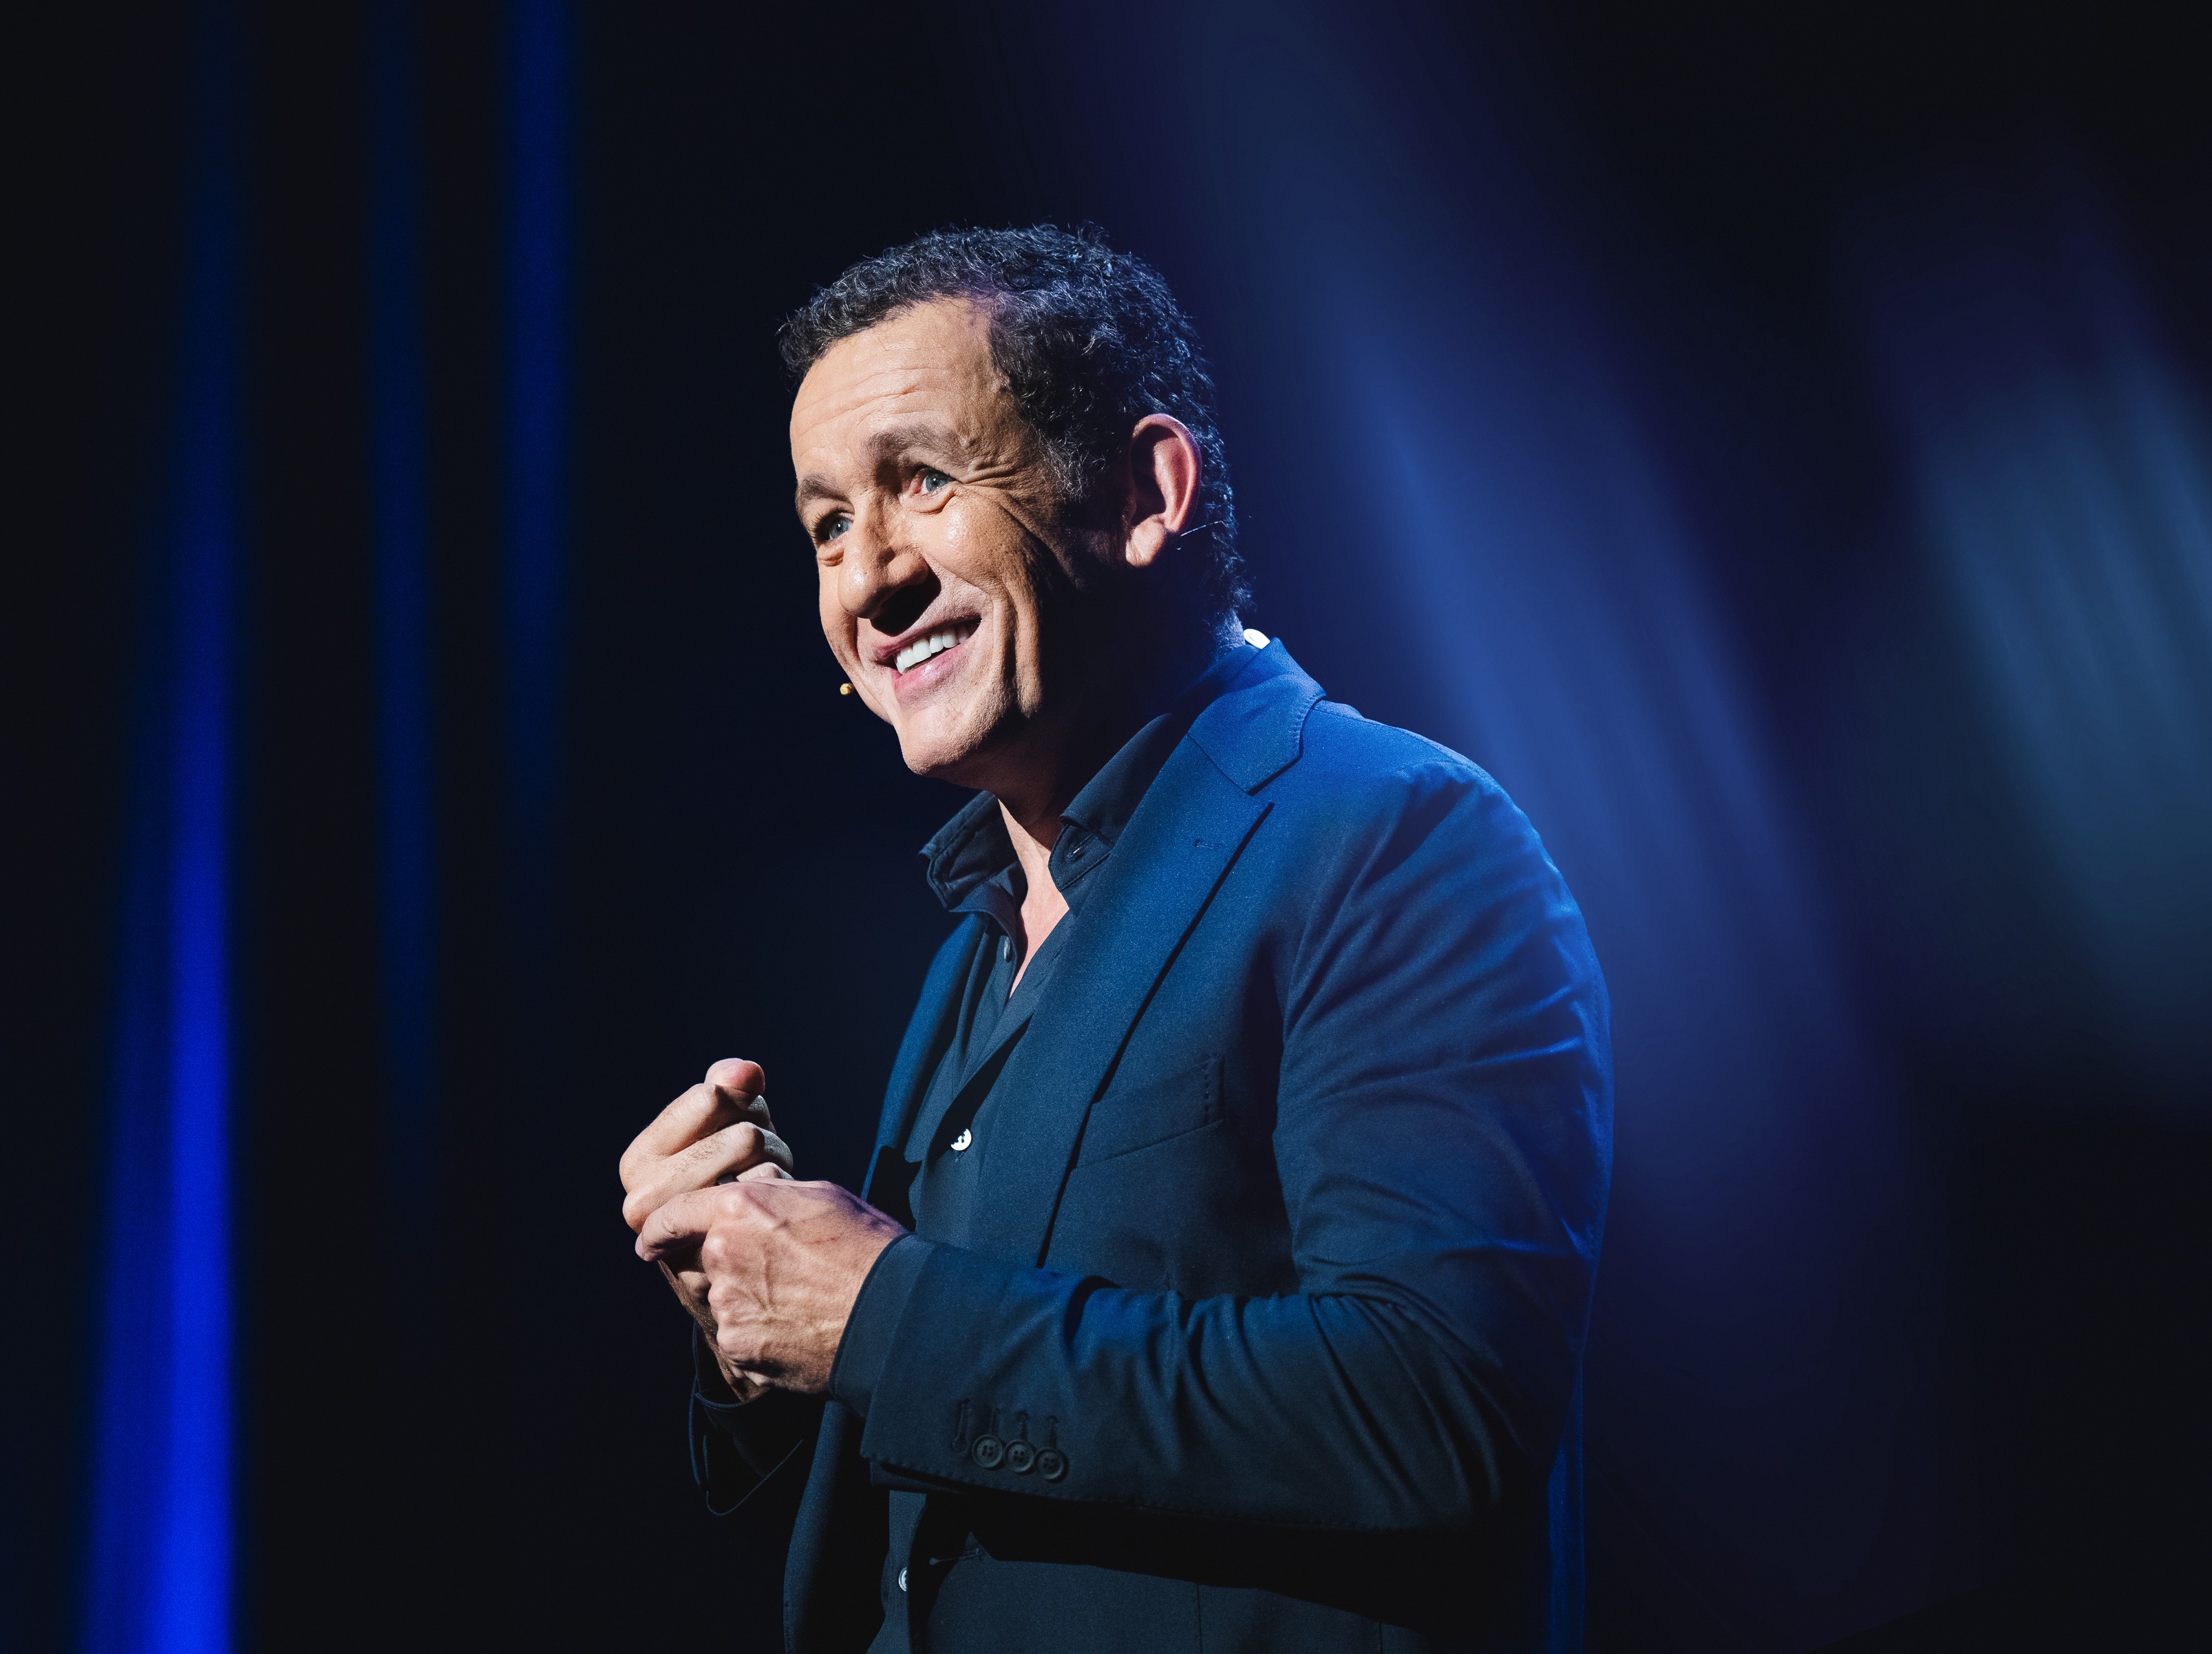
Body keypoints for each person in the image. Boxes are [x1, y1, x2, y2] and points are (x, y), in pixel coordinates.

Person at [619, 225, 1611, 1653]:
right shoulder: (975, 949)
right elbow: (956, 1471)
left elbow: (1434, 1407)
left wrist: (885, 1313)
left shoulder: (1394, 836)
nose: (866, 579)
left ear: (1148, 494)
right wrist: (763, 1309)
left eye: (924, 481)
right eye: (828, 524)